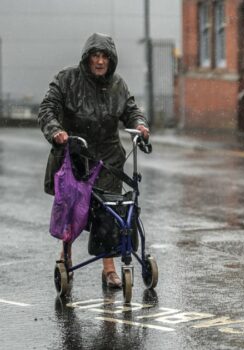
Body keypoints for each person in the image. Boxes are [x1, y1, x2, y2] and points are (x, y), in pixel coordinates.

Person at [38, 32, 150, 289]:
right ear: (87, 58)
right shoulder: (67, 79)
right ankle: (65, 256)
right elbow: (47, 108)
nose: (100, 62)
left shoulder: (118, 85)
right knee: (71, 208)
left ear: (111, 61)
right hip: (76, 154)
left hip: (109, 157)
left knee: (109, 214)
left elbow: (131, 110)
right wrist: (56, 131)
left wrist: (140, 125)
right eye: (95, 56)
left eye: (105, 57)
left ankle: (109, 270)